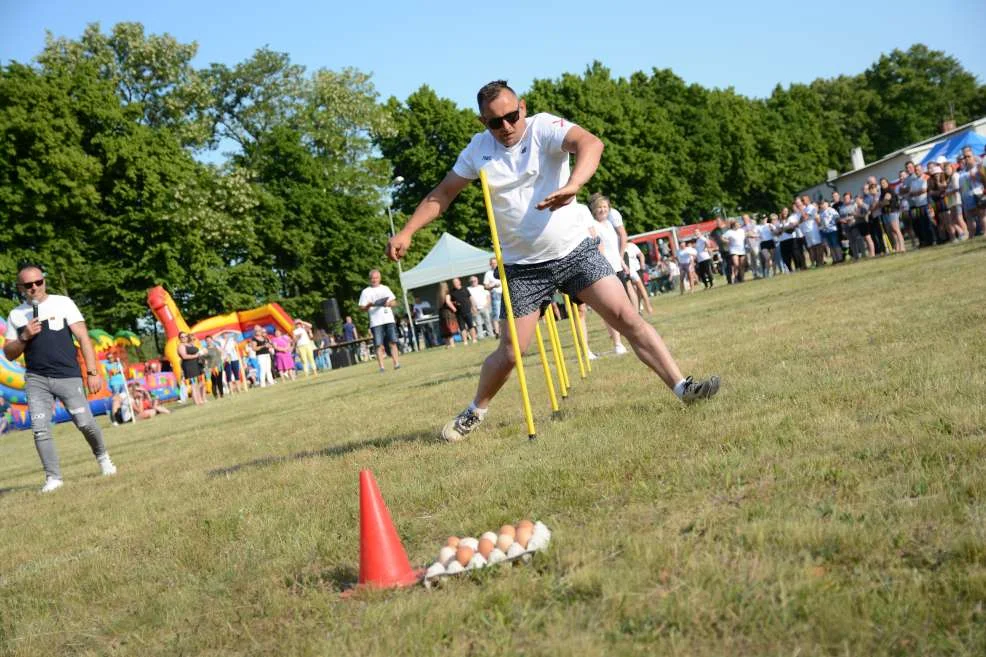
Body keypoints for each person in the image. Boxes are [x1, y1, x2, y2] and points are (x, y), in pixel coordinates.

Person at [385, 79, 719, 442]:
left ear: (522, 107)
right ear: (483, 123)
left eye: (511, 116)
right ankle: (475, 409)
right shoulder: (478, 150)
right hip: (522, 268)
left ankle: (682, 387)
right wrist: (408, 231)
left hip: (574, 251)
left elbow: (591, 144)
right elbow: (444, 193)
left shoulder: (545, 127)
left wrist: (574, 184)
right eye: (495, 122)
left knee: (627, 317)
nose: (506, 127)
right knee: (512, 352)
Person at [3, 265, 117, 492]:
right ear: (20, 288)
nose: (34, 287)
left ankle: (104, 458)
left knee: (85, 423)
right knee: (40, 428)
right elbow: (8, 353)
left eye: (39, 282)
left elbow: (84, 337)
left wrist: (92, 372)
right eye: (28, 285)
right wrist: (24, 336)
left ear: (44, 281)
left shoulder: (63, 303)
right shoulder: (16, 315)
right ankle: (53, 478)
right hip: (36, 379)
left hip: (68, 376)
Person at [358, 269, 402, 372]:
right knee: (378, 344)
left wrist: (389, 304)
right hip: (376, 321)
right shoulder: (366, 291)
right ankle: (381, 367)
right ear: (370, 279)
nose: (374, 280)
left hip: (388, 319)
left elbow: (395, 302)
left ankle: (396, 364)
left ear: (380, 278)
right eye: (373, 278)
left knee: (393, 342)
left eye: (376, 278)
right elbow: (361, 308)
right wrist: (367, 306)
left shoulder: (385, 288)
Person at [623, 240, 653, 315]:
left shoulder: (632, 245)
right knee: (635, 290)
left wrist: (642, 264)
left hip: (637, 269)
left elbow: (641, 255)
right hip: (629, 271)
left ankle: (646, 307)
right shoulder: (620, 248)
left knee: (640, 289)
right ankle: (639, 309)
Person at [878, 178, 906, 254]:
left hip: (892, 211)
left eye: (884, 182)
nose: (882, 184)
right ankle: (897, 247)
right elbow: (880, 204)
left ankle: (902, 246)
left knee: (896, 229)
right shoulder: (882, 193)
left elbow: (884, 202)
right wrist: (881, 203)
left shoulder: (889, 190)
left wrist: (881, 203)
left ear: (887, 183)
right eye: (881, 183)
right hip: (885, 213)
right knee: (892, 231)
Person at [178, 332, 206, 404]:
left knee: (201, 382)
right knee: (194, 384)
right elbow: (184, 356)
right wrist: (196, 356)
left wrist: (201, 353)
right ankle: (197, 402)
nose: (184, 338)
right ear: (179, 338)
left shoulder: (190, 344)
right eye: (182, 337)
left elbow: (197, 352)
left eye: (185, 336)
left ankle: (201, 399)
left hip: (197, 365)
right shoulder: (181, 346)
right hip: (189, 366)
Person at [448, 277, 478, 345]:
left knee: (471, 326)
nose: (455, 284)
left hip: (467, 310)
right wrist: (454, 305)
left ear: (459, 282)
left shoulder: (465, 289)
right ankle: (465, 341)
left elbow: (470, 297)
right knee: (462, 328)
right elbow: (449, 301)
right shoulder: (452, 292)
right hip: (459, 313)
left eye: (456, 282)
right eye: (453, 283)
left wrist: (473, 306)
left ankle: (474, 339)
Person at [482, 257, 503, 338]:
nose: (494, 264)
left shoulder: (501, 270)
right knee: (497, 314)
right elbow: (485, 286)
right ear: (490, 264)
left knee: (506, 313)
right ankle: (497, 332)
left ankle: (504, 331)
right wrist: (493, 286)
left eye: (495, 263)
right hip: (496, 294)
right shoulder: (488, 273)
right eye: (492, 263)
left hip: (504, 293)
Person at [437, 281, 459, 348]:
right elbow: (448, 302)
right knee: (450, 329)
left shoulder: (439, 295)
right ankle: (452, 344)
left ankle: (447, 344)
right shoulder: (447, 293)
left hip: (441, 313)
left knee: (445, 329)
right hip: (448, 313)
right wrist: (454, 309)